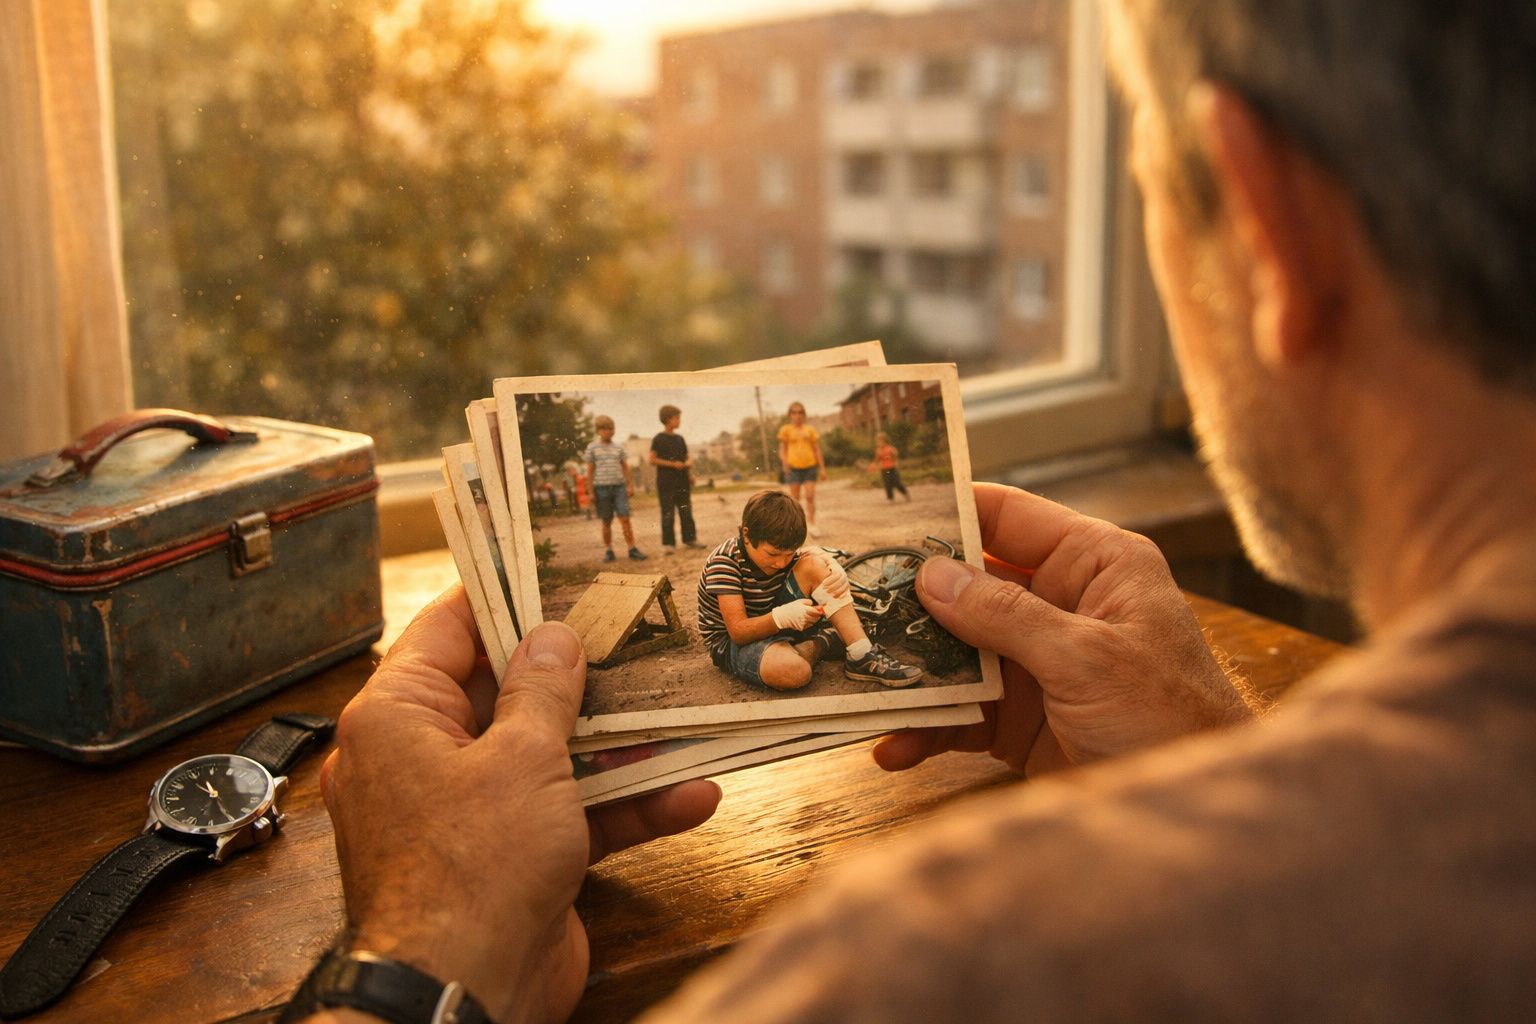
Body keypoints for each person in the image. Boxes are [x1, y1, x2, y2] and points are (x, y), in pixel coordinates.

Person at [297, 1, 1536, 1020]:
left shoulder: (933, 971)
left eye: (1150, 176)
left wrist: (415, 959)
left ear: (1278, 234)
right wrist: (1216, 769)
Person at [695, 489, 923, 691]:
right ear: (746, 535)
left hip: (774, 620)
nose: (782, 563)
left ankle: (861, 654)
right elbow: (738, 632)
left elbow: (810, 557)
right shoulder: (724, 562)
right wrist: (783, 617)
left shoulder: (781, 549)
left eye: (789, 553)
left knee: (814, 563)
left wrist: (830, 566)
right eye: (773, 554)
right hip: (734, 642)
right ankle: (823, 642)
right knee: (795, 672)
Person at [583, 414, 645, 562]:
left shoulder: (618, 447)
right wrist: (590, 492)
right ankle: (609, 550)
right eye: (605, 429)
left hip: (619, 488)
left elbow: (625, 468)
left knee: (625, 518)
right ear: (598, 430)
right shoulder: (592, 448)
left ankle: (632, 548)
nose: (609, 432)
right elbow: (590, 471)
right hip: (601, 489)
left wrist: (630, 485)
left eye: (611, 429)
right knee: (606, 520)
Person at [648, 403, 703, 552]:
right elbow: (652, 459)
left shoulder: (680, 439)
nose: (679, 421)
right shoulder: (658, 439)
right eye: (677, 418)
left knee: (686, 511)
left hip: (682, 481)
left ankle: (690, 539)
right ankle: (669, 544)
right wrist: (672, 464)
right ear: (667, 419)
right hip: (666, 482)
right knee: (668, 513)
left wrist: (689, 471)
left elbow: (687, 458)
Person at [777, 402, 825, 537]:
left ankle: (812, 524)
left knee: (810, 496)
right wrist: (785, 464)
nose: (797, 416)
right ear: (790, 415)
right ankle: (797, 527)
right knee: (795, 499)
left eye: (800, 413)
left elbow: (816, 449)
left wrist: (822, 468)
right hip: (794, 469)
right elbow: (782, 449)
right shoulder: (785, 430)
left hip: (810, 467)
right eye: (794, 413)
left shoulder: (809, 430)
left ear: (804, 414)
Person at [869, 431, 911, 502]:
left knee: (897, 483)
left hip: (892, 468)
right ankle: (890, 498)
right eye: (878, 442)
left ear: (885, 441)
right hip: (885, 470)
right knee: (887, 484)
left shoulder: (891, 448)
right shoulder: (878, 450)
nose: (879, 443)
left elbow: (895, 456)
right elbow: (877, 459)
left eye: (881, 441)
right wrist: (873, 465)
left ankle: (905, 493)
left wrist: (896, 463)